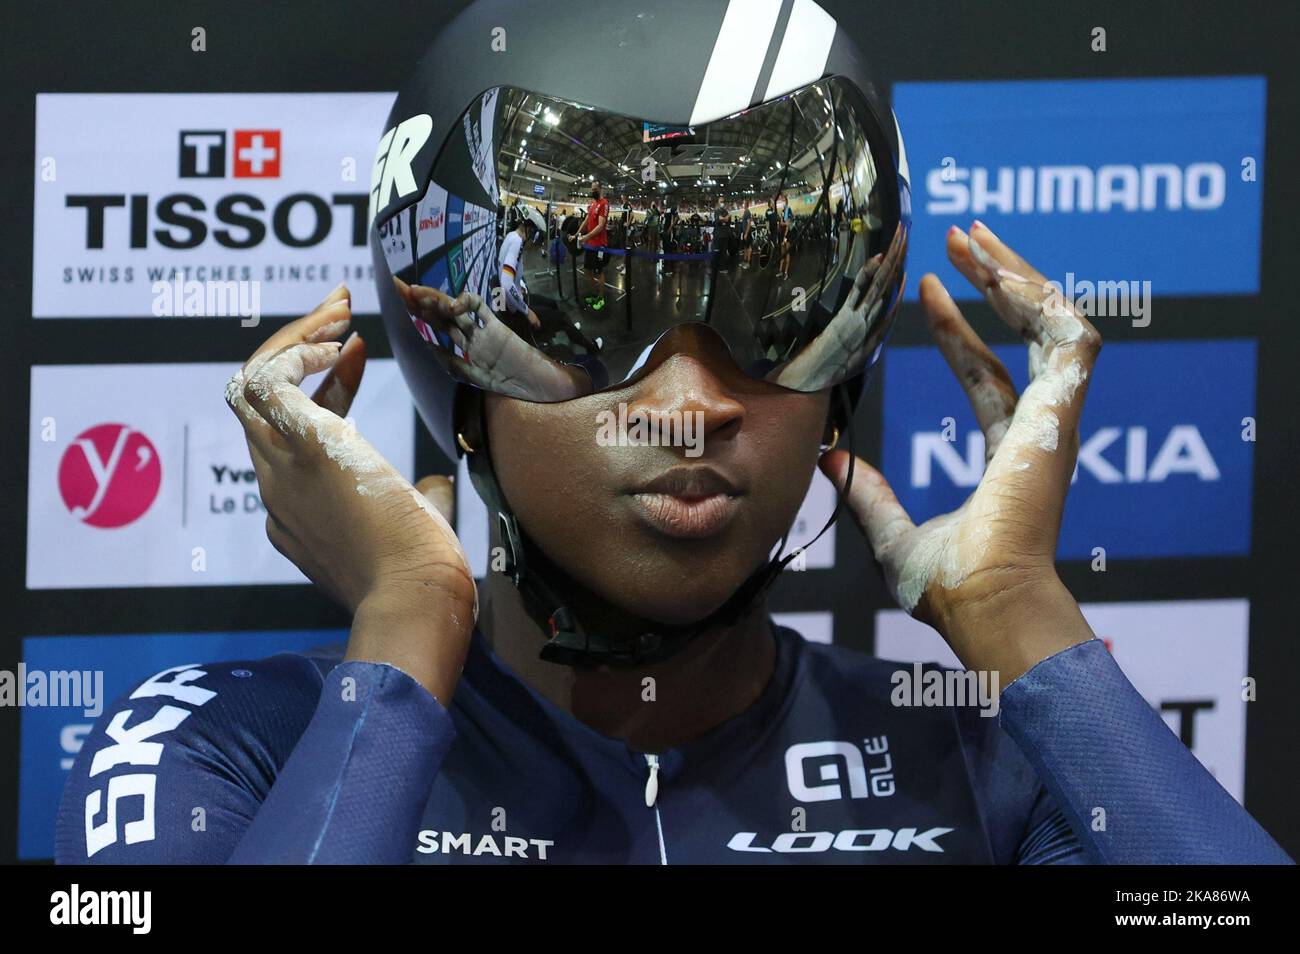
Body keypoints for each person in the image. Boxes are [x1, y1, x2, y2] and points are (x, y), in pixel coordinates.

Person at [57, 0, 1292, 867]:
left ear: (851, 354)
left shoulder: (992, 767)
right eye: (593, 312)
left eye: (769, 310)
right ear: (449, 344)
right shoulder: (216, 746)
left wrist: (1024, 615)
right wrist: (398, 640)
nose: (686, 403)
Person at [496, 216, 542, 337]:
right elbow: (506, 283)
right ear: (529, 230)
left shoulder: (511, 235)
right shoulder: (517, 242)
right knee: (557, 313)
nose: (532, 242)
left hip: (510, 300)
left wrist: (518, 285)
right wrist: (527, 312)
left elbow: (507, 272)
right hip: (514, 306)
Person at [576, 179, 609, 311]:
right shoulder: (593, 204)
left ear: (600, 189)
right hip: (590, 244)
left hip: (599, 245)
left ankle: (601, 297)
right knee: (587, 270)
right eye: (592, 190)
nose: (593, 192)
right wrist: (577, 234)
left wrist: (585, 237)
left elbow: (601, 226)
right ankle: (596, 293)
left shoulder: (604, 204)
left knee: (598, 272)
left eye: (595, 190)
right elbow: (586, 221)